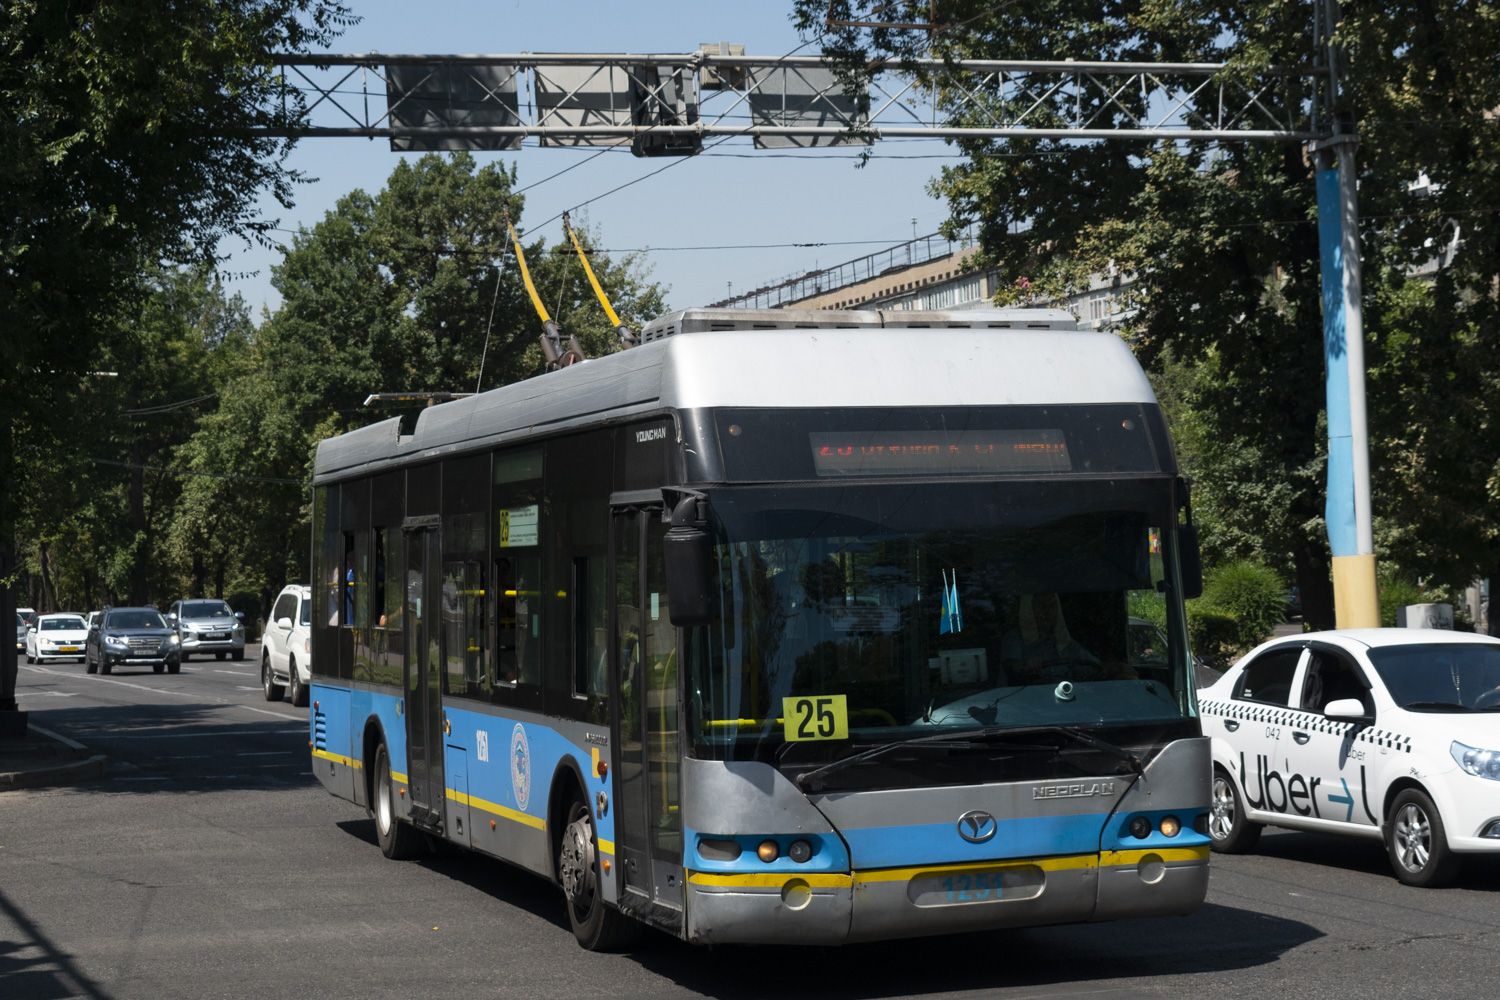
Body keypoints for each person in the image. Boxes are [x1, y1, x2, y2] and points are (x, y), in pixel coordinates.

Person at [1000, 593, 1100, 685]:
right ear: (1029, 610)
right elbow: (1008, 665)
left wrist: (1111, 667)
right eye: (1041, 607)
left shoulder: (1063, 641)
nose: (1047, 612)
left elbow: (1094, 665)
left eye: (1052, 606)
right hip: (1023, 699)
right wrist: (1026, 664)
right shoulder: (1015, 637)